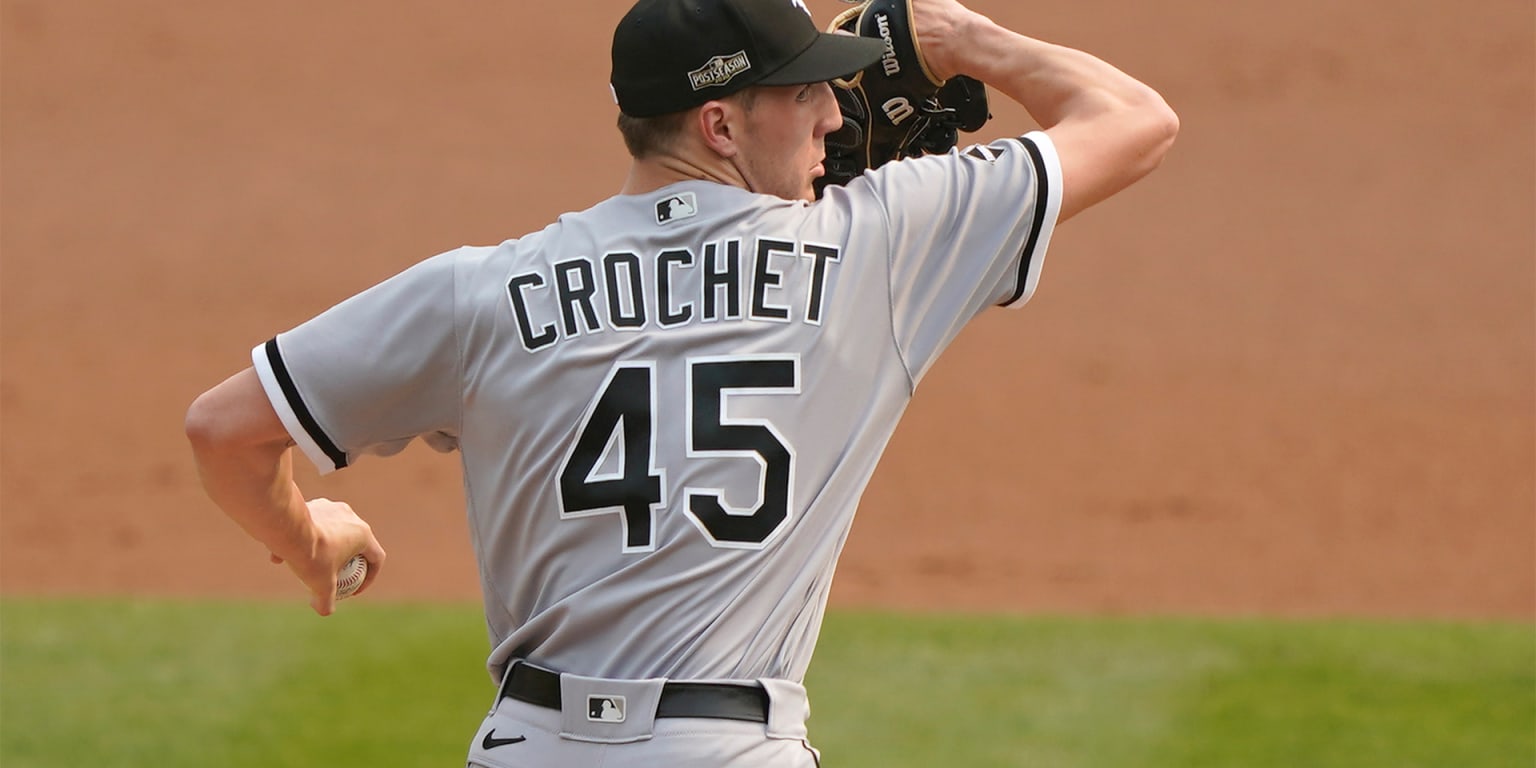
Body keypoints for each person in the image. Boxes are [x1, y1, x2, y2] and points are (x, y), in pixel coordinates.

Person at [184, 0, 1177, 764]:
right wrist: (960, 34)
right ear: (720, 126)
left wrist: (311, 540)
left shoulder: (478, 292)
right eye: (806, 92)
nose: (837, 114)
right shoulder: (880, 244)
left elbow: (224, 430)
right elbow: (1136, 120)